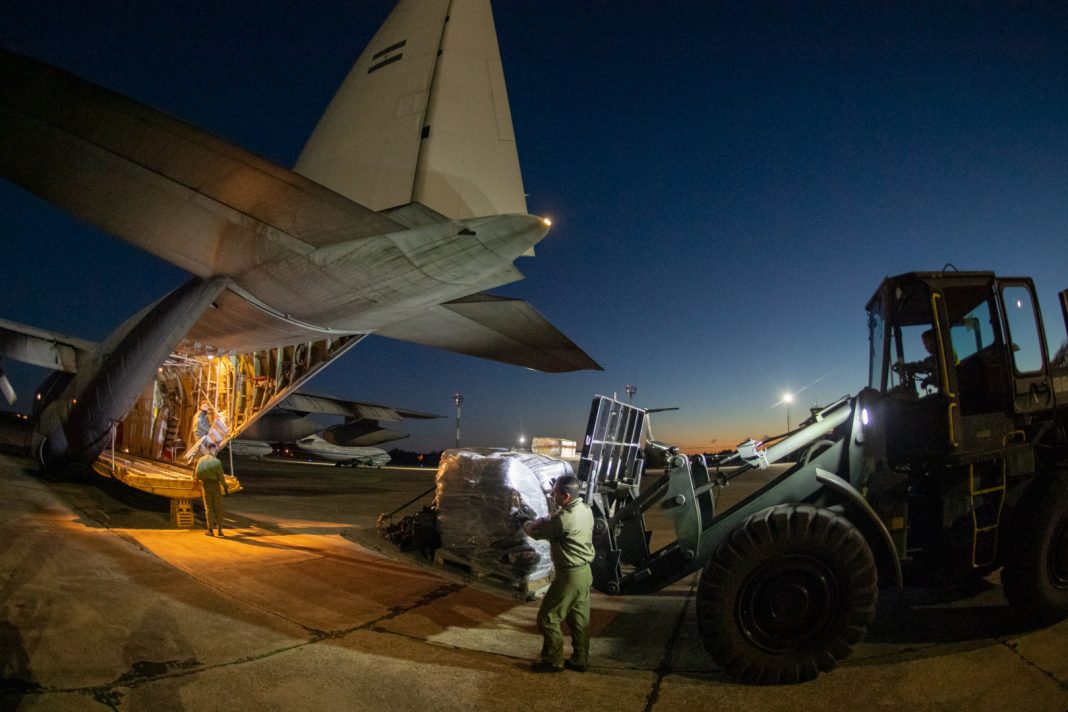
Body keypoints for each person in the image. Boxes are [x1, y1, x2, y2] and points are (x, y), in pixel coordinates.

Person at [519, 475, 595, 673]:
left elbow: (537, 531)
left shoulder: (564, 519)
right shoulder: (585, 509)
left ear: (566, 496)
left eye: (555, 494)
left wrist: (524, 521)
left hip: (569, 576)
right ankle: (580, 659)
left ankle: (553, 660)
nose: (552, 496)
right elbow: (555, 519)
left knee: (547, 619)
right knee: (579, 620)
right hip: (584, 573)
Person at [195, 443, 229, 537]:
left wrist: (199, 480)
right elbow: (221, 477)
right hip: (215, 486)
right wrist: (225, 486)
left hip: (206, 485)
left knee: (209, 508)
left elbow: (197, 474)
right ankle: (220, 530)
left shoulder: (201, 460)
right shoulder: (217, 462)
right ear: (213, 450)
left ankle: (210, 530)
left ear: (207, 449)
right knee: (217, 507)